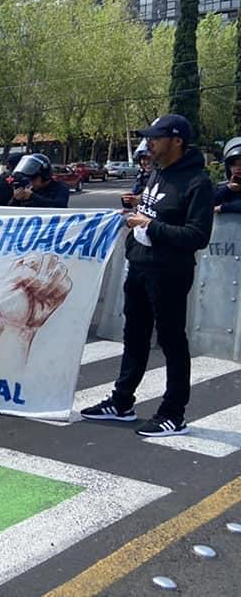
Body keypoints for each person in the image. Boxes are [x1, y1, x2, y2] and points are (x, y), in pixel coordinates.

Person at [82, 114, 214, 437]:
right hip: (140, 267)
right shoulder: (157, 173)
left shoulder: (198, 183)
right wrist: (136, 213)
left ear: (177, 141)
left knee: (171, 341)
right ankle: (122, 401)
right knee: (135, 336)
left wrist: (149, 225)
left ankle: (173, 412)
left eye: (156, 137)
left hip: (169, 273)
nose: (149, 143)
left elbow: (197, 236)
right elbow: (154, 210)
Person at [214, 137, 241, 215]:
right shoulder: (220, 187)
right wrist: (228, 189)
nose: (238, 168)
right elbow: (205, 205)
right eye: (234, 164)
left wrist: (222, 208)